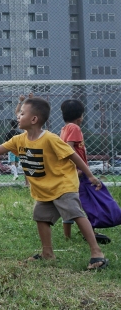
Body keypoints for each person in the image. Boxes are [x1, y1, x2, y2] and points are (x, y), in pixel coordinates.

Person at [0, 97, 108, 270]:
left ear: (33, 119)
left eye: (22, 113)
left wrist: (90, 176)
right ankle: (47, 253)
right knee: (41, 217)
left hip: (62, 185)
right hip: (43, 190)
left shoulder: (50, 139)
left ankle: (96, 252)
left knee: (75, 214)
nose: (18, 116)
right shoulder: (18, 140)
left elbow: (72, 155)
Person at [59, 99, 121, 244]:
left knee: (73, 203)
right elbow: (69, 149)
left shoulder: (64, 128)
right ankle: (90, 231)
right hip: (79, 174)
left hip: (70, 174)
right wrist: (79, 170)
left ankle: (74, 235)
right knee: (88, 201)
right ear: (80, 116)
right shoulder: (74, 128)